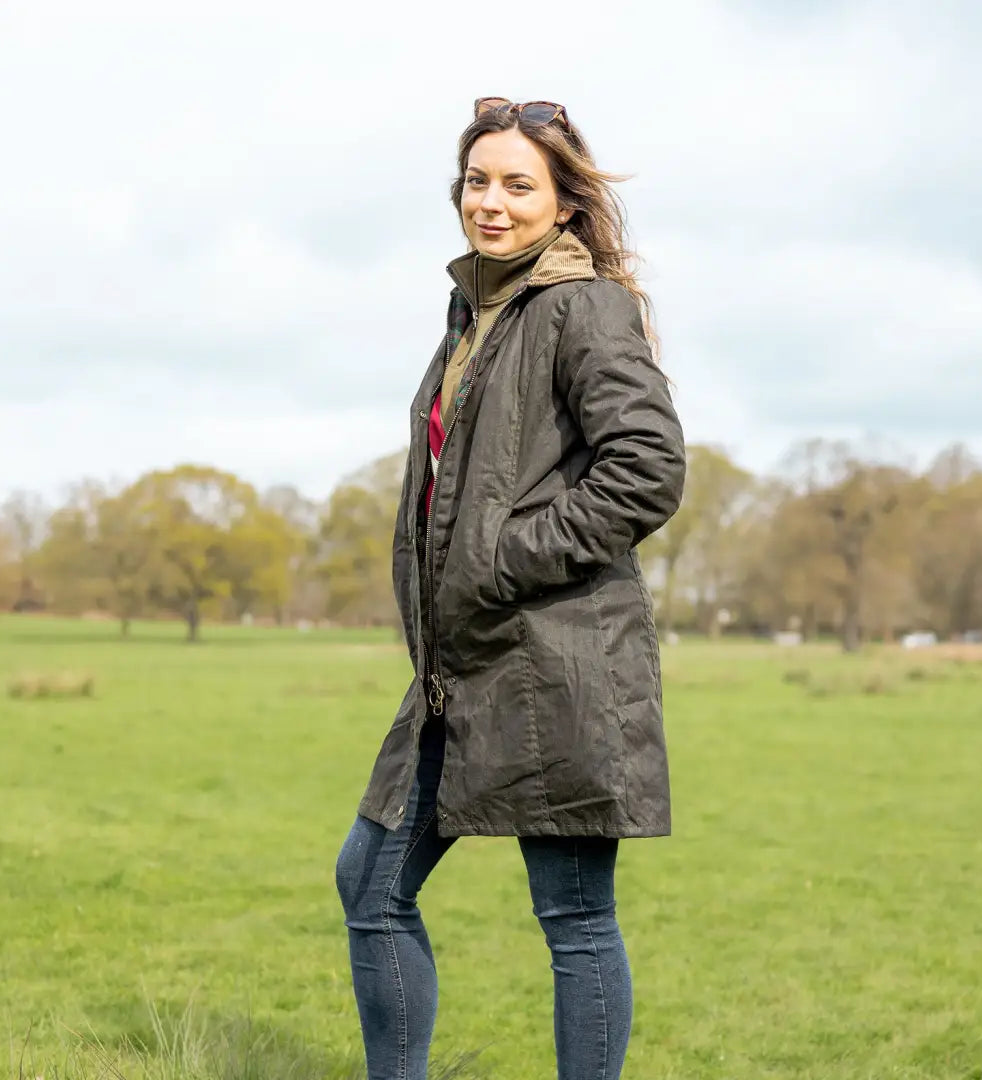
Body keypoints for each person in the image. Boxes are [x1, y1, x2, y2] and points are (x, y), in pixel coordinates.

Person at [335, 97, 686, 1080]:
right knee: (369, 885)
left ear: (565, 204)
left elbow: (648, 468)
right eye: (476, 181)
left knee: (575, 919)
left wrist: (502, 557)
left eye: (518, 185)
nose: (491, 203)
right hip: (463, 668)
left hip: (560, 667)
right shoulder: (476, 316)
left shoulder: (583, 307)